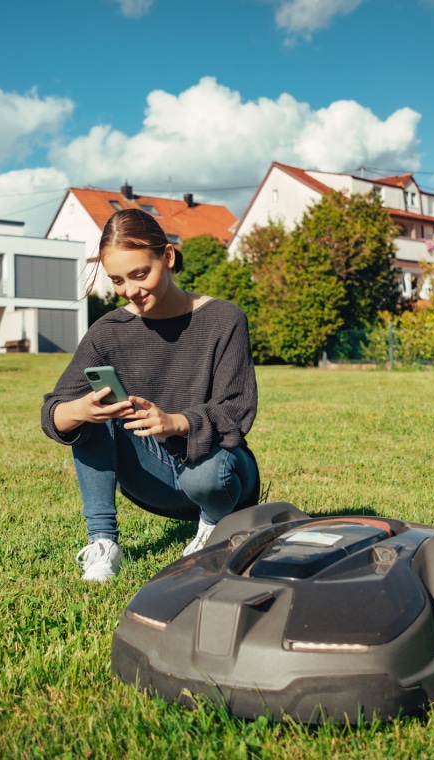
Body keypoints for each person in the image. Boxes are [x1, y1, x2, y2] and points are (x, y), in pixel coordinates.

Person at [40, 208, 259, 581]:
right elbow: (53, 414)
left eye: (141, 274)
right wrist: (80, 410)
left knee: (205, 474)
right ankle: (103, 544)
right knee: (91, 412)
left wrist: (175, 423)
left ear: (168, 256)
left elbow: (236, 412)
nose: (131, 290)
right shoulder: (107, 331)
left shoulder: (225, 319)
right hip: (151, 479)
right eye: (119, 280)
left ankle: (212, 527)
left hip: (221, 475)